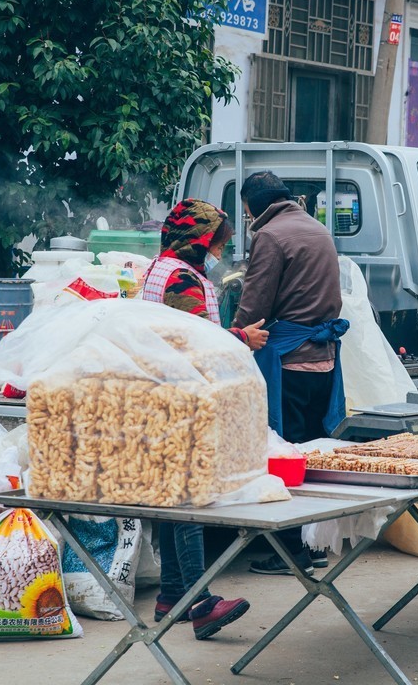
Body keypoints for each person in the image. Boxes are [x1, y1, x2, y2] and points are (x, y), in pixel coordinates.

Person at [140, 198, 267, 639]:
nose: (219, 252)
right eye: (217, 244)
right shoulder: (180, 277)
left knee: (176, 498)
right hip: (183, 396)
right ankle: (199, 601)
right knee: (190, 498)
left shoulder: (159, 268)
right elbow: (194, 340)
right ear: (197, 240)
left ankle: (172, 594)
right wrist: (242, 337)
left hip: (166, 393)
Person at [235, 171, 348, 576]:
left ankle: (292, 552)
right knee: (308, 454)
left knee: (284, 457)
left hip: (288, 361)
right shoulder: (316, 227)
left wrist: (234, 336)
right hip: (323, 358)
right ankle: (312, 544)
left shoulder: (269, 235)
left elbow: (256, 302)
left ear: (253, 205)